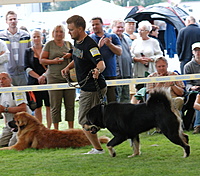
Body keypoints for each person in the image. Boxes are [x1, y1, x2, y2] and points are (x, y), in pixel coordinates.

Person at [61, 15, 107, 154]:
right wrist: (68, 67)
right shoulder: (77, 42)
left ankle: (98, 149)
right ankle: (100, 144)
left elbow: (101, 63)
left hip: (93, 88)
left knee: (85, 121)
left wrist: (97, 70)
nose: (69, 32)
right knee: (91, 120)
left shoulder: (90, 45)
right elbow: (78, 57)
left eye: (71, 29)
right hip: (86, 88)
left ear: (80, 29)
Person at [40, 25, 75, 130]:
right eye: (57, 32)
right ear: (53, 33)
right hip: (54, 78)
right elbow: (42, 60)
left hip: (68, 78)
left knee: (70, 105)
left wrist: (70, 56)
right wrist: (54, 61)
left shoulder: (69, 44)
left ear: (64, 33)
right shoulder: (49, 44)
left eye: (61, 31)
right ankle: (56, 130)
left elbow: (77, 56)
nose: (59, 34)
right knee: (55, 105)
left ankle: (71, 129)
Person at [90, 17, 122, 103]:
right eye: (93, 25)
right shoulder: (90, 38)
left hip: (111, 74)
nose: (95, 26)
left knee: (112, 101)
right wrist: (98, 47)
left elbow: (119, 52)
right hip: (96, 74)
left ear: (102, 24)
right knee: (98, 101)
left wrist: (109, 44)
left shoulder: (112, 36)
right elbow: (88, 56)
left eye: (97, 24)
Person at [24, 29, 51, 129]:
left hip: (47, 81)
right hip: (34, 82)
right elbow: (26, 67)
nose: (36, 38)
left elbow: (51, 66)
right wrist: (38, 77)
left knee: (49, 106)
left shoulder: (47, 49)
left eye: (38, 36)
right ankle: (40, 128)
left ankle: (48, 128)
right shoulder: (28, 51)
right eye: (34, 37)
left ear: (42, 37)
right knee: (37, 107)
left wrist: (44, 76)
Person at [130, 20, 163, 103]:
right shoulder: (135, 42)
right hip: (138, 71)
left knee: (151, 93)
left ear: (148, 31)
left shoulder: (154, 42)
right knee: (140, 92)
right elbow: (131, 55)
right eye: (139, 30)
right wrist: (137, 59)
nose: (140, 32)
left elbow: (160, 55)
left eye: (142, 30)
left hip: (150, 70)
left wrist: (151, 59)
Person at [0, 72, 32, 147]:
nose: (1, 81)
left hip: (22, 124)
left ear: (10, 80)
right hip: (9, 125)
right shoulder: (1, 93)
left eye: (4, 78)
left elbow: (23, 108)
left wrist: (5, 109)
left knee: (12, 145)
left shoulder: (17, 91)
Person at [0, 11, 31, 86]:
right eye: (10, 19)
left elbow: (30, 53)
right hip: (7, 73)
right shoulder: (1, 37)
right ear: (6, 21)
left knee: (24, 95)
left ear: (17, 20)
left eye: (14, 19)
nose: (13, 21)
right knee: (9, 96)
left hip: (24, 72)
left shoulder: (26, 35)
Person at [111, 19, 133, 103]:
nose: (120, 29)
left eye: (122, 27)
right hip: (117, 75)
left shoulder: (124, 39)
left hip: (126, 74)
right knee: (117, 100)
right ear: (112, 27)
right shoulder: (111, 39)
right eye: (118, 27)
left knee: (126, 100)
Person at [183, 42, 200, 133]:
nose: (198, 52)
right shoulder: (188, 66)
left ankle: (197, 125)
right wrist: (192, 87)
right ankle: (197, 125)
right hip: (194, 90)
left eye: (199, 50)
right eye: (196, 50)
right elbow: (187, 83)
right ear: (192, 52)